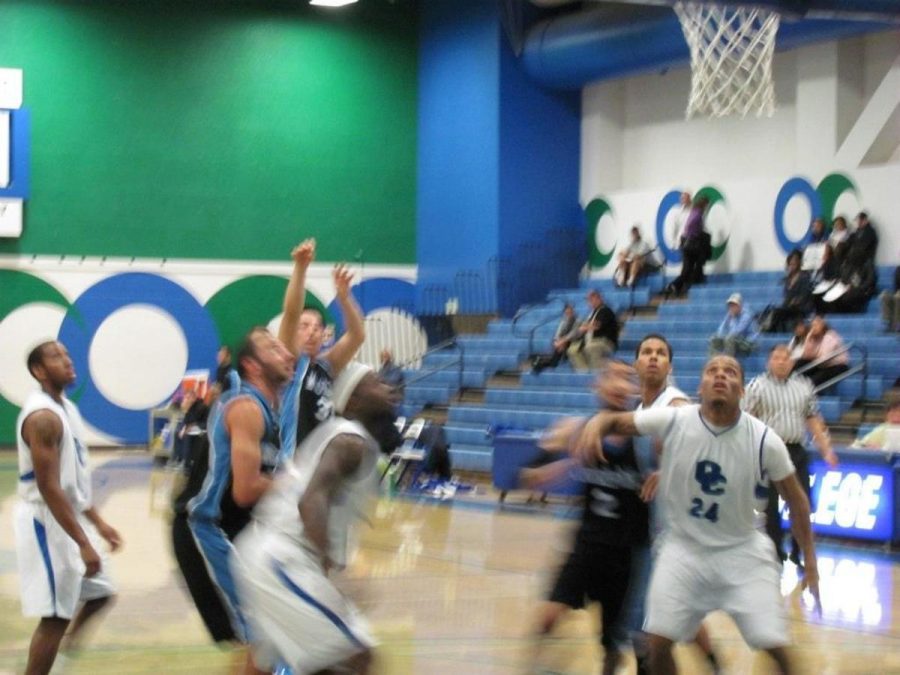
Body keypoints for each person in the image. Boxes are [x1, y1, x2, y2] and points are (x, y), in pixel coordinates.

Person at [576, 355, 821, 675]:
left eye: (730, 372)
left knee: (775, 645)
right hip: (684, 548)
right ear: (700, 386)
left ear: (743, 391)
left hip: (742, 550)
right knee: (658, 642)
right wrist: (597, 423)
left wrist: (812, 565)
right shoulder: (676, 419)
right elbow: (617, 422)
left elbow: (798, 502)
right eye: (712, 371)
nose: (721, 376)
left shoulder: (763, 439)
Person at [233, 363, 397, 675]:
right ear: (354, 401)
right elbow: (311, 502)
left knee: (267, 666)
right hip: (281, 559)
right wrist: (332, 571)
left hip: (267, 556)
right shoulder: (351, 441)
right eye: (375, 382)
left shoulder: (341, 436)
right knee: (354, 656)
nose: (387, 386)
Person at [529, 361, 647, 675]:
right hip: (587, 545)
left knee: (611, 645)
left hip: (626, 553)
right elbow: (530, 472)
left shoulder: (646, 436)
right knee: (548, 616)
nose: (620, 385)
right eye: (612, 377)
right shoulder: (576, 428)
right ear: (597, 385)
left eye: (627, 379)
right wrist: (545, 470)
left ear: (635, 389)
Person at [13, 341, 122, 675]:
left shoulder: (66, 409)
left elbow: (71, 481)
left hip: (68, 517)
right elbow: (48, 487)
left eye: (67, 355)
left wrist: (98, 523)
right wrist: (84, 543)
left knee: (101, 592)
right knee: (55, 617)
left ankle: (56, 664)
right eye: (56, 357)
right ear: (39, 371)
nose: (68, 361)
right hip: (46, 523)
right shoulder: (43, 417)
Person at [187, 327, 296, 644]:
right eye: (275, 349)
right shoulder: (247, 408)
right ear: (253, 365)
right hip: (208, 528)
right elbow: (245, 490)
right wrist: (297, 481)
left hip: (232, 528)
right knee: (264, 636)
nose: (288, 354)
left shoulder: (269, 409)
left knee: (265, 637)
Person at [743, 344, 839, 567]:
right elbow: (746, 420)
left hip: (796, 450)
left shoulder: (804, 385)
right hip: (768, 451)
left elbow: (814, 419)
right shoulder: (757, 386)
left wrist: (826, 449)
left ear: (792, 362)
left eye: (785, 357)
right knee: (771, 507)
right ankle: (775, 552)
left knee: (801, 504)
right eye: (776, 357)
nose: (781, 361)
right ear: (769, 361)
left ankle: (799, 551)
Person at [278, 239, 366, 455]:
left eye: (317, 327)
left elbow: (357, 335)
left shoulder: (326, 365)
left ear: (324, 335)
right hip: (292, 460)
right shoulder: (291, 362)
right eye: (305, 326)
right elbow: (290, 314)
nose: (311, 331)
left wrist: (345, 299)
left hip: (319, 459)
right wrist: (300, 268)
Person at [666, 195, 710, 297]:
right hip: (694, 245)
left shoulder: (692, 212)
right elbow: (697, 229)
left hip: (685, 244)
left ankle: (676, 285)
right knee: (697, 265)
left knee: (687, 269)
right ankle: (689, 286)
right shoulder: (698, 214)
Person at [567, 290, 619, 371]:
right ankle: (584, 373)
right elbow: (584, 326)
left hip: (606, 342)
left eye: (591, 299)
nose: (589, 302)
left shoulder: (605, 310)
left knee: (592, 347)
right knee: (572, 350)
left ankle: (596, 373)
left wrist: (585, 327)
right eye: (588, 300)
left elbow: (596, 325)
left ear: (599, 298)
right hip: (591, 341)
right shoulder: (592, 313)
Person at [792, 315, 849, 389]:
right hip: (821, 365)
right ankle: (788, 380)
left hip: (837, 366)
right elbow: (806, 355)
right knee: (801, 362)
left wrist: (814, 356)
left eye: (816, 325)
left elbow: (823, 359)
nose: (813, 328)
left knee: (813, 380)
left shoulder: (830, 336)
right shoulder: (813, 337)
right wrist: (809, 339)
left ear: (823, 326)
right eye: (812, 326)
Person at [764, 250, 813, 333]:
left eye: (794, 262)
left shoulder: (804, 277)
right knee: (775, 310)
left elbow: (804, 295)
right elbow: (787, 297)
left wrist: (795, 301)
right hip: (789, 307)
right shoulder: (788, 279)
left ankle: (768, 330)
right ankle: (769, 329)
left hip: (800, 308)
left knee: (778, 312)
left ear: (799, 263)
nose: (792, 265)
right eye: (790, 263)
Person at [531, 303, 578, 373]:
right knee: (554, 359)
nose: (569, 312)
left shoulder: (577, 320)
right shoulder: (563, 321)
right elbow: (557, 334)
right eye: (567, 311)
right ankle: (540, 363)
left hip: (571, 342)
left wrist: (563, 342)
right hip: (561, 343)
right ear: (565, 312)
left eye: (570, 311)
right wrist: (557, 341)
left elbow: (574, 333)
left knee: (555, 359)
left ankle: (540, 362)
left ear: (573, 311)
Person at [880, 266, 900, 332]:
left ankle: (897, 324)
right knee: (885, 295)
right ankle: (889, 322)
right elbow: (896, 287)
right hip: (897, 293)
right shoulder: (898, 269)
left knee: (898, 296)